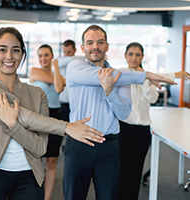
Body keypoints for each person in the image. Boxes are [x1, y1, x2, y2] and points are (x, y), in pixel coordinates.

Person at [0, 27, 105, 200]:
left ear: (22, 55)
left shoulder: (37, 94)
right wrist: (65, 127)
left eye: (16, 50)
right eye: (2, 49)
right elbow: (25, 116)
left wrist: (12, 125)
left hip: (29, 178)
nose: (9, 56)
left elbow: (40, 148)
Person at [63, 25, 177, 200]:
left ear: (107, 46)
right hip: (79, 144)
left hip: (109, 146)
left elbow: (123, 113)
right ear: (82, 47)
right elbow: (100, 75)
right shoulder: (75, 67)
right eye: (90, 42)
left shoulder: (122, 78)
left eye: (100, 42)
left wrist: (109, 92)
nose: (95, 46)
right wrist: (145, 75)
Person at [118, 42, 190, 200]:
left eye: (137, 54)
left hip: (142, 131)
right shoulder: (122, 73)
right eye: (130, 54)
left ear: (142, 56)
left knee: (136, 171)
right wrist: (168, 75)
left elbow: (152, 97)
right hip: (123, 129)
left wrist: (144, 78)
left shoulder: (148, 77)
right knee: (122, 170)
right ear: (125, 55)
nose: (133, 58)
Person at [29, 44, 65, 200]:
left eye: (46, 55)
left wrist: (55, 67)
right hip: (38, 116)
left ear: (52, 56)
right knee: (36, 159)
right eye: (40, 55)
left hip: (55, 115)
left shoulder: (58, 75)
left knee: (51, 161)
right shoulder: (34, 72)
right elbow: (58, 86)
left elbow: (57, 88)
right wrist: (56, 69)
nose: (43, 59)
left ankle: (47, 198)